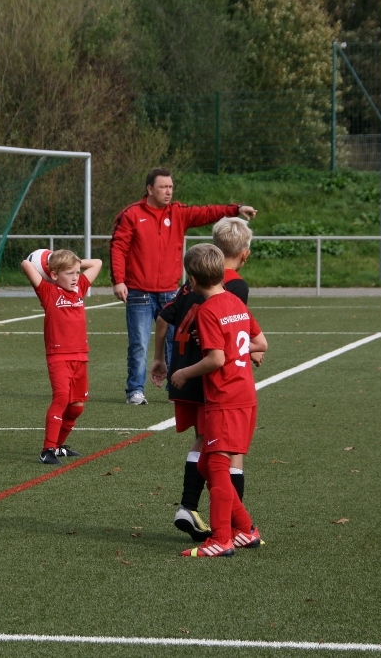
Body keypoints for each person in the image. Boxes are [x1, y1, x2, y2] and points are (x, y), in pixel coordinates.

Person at [150, 217, 263, 541]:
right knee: (225, 455)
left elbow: (164, 315)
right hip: (214, 379)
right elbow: (226, 344)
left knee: (205, 446)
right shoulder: (232, 287)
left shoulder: (192, 282)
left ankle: (190, 506)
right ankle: (231, 526)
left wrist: (160, 359)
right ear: (244, 253)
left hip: (187, 372)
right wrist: (244, 350)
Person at [109, 167, 256, 406]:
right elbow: (118, 247)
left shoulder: (178, 213)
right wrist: (118, 280)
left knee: (175, 342)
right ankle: (135, 390)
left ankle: (175, 387)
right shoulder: (131, 214)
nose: (168, 192)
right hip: (139, 292)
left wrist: (235, 209)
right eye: (163, 187)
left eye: (170, 187)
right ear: (149, 189)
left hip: (170, 290)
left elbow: (207, 212)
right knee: (139, 344)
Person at [21, 250, 103, 465]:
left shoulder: (80, 289)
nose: (76, 277)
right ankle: (47, 449)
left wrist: (74, 263)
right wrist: (52, 262)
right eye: (70, 273)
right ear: (54, 274)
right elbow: (26, 265)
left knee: (77, 406)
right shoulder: (48, 291)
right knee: (61, 399)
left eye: (77, 272)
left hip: (81, 357)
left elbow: (97, 262)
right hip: (58, 357)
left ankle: (57, 447)